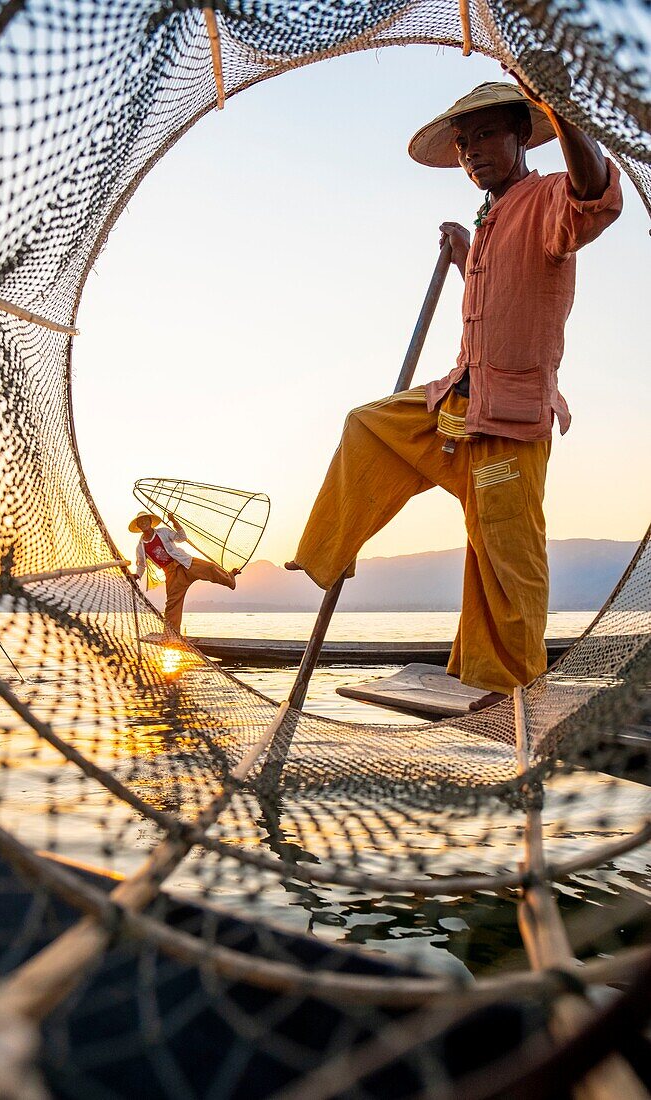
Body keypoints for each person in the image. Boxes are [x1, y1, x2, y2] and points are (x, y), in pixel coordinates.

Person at [285, 79, 622, 710]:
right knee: (368, 426)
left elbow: (594, 197)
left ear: (523, 134)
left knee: (504, 555)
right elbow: (503, 303)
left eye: (489, 134)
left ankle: (517, 686)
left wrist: (561, 109)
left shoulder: (548, 196)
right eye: (464, 143)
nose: (473, 153)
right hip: (453, 411)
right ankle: (332, 552)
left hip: (507, 426)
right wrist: (468, 256)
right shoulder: (491, 217)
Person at [129, 510, 239, 634]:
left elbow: (182, 537)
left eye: (146, 520)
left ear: (151, 522)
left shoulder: (163, 532)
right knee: (172, 605)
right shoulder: (141, 547)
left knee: (210, 568)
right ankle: (172, 634)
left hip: (185, 562)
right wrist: (137, 575)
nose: (144, 523)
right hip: (171, 574)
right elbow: (141, 565)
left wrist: (174, 521)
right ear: (138, 526)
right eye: (141, 522)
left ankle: (230, 578)